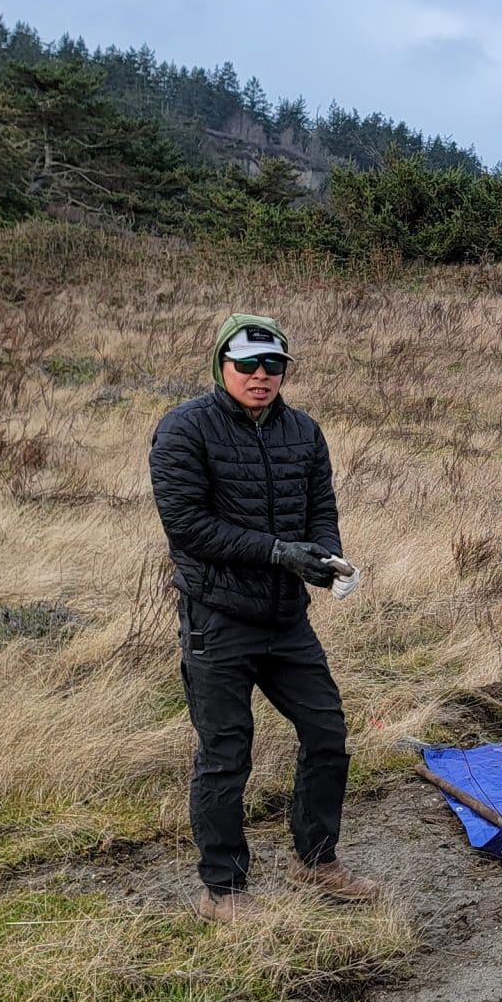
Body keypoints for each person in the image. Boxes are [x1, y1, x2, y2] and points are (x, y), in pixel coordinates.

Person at [150, 313, 377, 920]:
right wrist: (280, 553)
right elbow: (189, 527)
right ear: (221, 366)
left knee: (327, 732)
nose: (260, 376)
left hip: (286, 619)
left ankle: (315, 860)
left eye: (273, 365)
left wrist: (325, 558)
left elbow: (320, 507)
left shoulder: (303, 432)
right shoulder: (183, 429)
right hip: (217, 619)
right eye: (247, 364)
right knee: (226, 753)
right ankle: (222, 892)